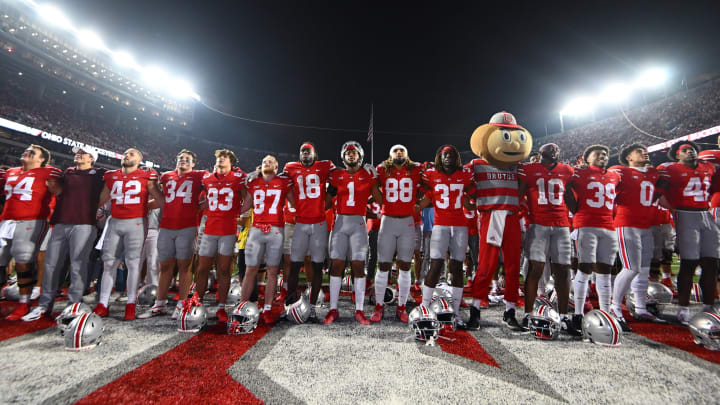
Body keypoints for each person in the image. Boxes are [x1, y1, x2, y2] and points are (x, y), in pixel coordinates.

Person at [23, 146, 106, 321]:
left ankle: (73, 304)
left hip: (84, 223)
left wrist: (96, 204)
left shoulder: (99, 173)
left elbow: (114, 185)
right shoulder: (67, 171)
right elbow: (57, 189)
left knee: (78, 265)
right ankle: (44, 305)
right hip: (61, 222)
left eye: (83, 153)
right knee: (51, 265)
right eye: (78, 152)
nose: (78, 155)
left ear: (92, 158)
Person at [92, 148, 163, 321]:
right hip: (115, 221)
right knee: (109, 263)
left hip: (136, 222)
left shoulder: (147, 176)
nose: (127, 155)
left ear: (139, 159)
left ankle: (131, 303)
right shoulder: (111, 175)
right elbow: (102, 198)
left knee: (133, 264)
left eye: (132, 154)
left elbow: (160, 200)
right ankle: (103, 303)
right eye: (125, 153)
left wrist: (144, 207)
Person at [517, 143, 579, 335]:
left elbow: (569, 196)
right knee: (536, 268)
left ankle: (564, 316)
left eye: (556, 149)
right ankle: (527, 314)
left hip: (561, 225)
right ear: (541, 152)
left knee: (563, 271)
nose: (554, 151)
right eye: (549, 149)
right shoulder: (528, 169)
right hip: (538, 225)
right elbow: (518, 194)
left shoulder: (567, 170)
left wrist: (580, 212)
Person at [138, 149, 207, 320]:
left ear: (193, 163)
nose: (183, 160)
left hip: (187, 226)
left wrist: (199, 207)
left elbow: (215, 193)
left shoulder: (200, 175)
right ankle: (159, 304)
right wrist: (142, 205)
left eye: (187, 159)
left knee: (184, 267)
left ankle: (182, 304)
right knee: (165, 267)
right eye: (180, 158)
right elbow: (162, 200)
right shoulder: (167, 176)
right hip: (166, 226)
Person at [657, 141, 719, 325]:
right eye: (684, 150)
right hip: (685, 214)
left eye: (691, 149)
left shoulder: (708, 166)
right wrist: (674, 210)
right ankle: (683, 308)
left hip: (706, 214)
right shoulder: (669, 169)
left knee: (712, 263)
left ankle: (709, 306)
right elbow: (659, 193)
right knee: (689, 263)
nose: (689, 152)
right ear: (677, 155)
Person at [323, 141, 381, 325]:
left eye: (354, 153)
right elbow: (325, 202)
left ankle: (359, 310)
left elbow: (381, 199)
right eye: (348, 153)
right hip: (340, 222)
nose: (351, 155)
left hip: (358, 223)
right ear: (343, 156)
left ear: (360, 155)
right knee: (336, 266)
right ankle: (333, 309)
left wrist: (378, 178)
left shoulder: (368, 175)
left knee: (358, 266)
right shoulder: (336, 175)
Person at [1, 145, 62, 320]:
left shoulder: (49, 173)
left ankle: (24, 302)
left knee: (23, 262)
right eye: (26, 150)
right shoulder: (10, 172)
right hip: (6, 220)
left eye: (32, 152)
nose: (27, 152)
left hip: (31, 220)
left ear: (42, 159)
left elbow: (59, 192)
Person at [416, 145, 474, 324]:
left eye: (451, 154)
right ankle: (424, 307)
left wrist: (485, 205)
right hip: (440, 226)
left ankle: (455, 312)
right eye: (445, 154)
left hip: (459, 226)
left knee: (457, 267)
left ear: (457, 158)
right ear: (439, 158)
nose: (448, 157)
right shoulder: (431, 175)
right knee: (435, 265)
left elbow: (473, 197)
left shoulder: (465, 175)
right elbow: (423, 198)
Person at [565, 145, 620, 330]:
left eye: (605, 154)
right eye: (597, 154)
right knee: (585, 268)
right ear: (586, 158)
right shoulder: (578, 174)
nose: (602, 157)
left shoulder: (614, 175)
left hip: (608, 226)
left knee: (605, 270)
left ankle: (606, 314)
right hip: (586, 224)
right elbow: (564, 187)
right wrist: (574, 208)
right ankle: (578, 314)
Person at [608, 144, 661, 330]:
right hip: (626, 223)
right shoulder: (620, 171)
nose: (645, 153)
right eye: (639, 151)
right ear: (628, 157)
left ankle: (640, 307)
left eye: (645, 150)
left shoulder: (653, 173)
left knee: (644, 269)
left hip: (645, 225)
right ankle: (614, 307)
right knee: (631, 268)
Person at [371, 145, 423, 323]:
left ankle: (401, 307)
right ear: (390, 154)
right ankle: (379, 306)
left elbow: (430, 186)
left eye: (402, 150)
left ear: (407, 154)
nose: (399, 152)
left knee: (405, 265)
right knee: (384, 264)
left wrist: (421, 205)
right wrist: (384, 203)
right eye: (395, 150)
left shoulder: (416, 169)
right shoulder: (382, 169)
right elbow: (373, 186)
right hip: (388, 221)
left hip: (408, 221)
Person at [282, 143, 334, 321]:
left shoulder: (325, 165)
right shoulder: (290, 168)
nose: (305, 154)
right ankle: (290, 304)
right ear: (299, 155)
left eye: (308, 151)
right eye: (302, 152)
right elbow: (281, 183)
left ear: (314, 154)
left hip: (319, 223)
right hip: (301, 223)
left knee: (317, 266)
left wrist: (326, 203)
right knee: (294, 265)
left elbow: (337, 180)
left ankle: (312, 308)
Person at [193, 149, 246, 323]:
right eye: (218, 157)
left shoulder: (238, 178)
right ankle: (197, 302)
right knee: (202, 268)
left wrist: (238, 213)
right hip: (209, 229)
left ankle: (221, 306)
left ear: (231, 162)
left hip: (228, 230)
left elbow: (247, 199)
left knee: (224, 270)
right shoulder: (207, 178)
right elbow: (209, 200)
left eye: (225, 158)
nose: (221, 160)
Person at [240, 155, 292, 325]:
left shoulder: (284, 182)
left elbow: (295, 202)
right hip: (256, 228)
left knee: (272, 271)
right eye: (264, 162)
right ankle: (243, 305)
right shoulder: (253, 182)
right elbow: (245, 205)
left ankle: (268, 308)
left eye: (270, 162)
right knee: (250, 269)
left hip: (276, 228)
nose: (266, 163)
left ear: (277, 167)